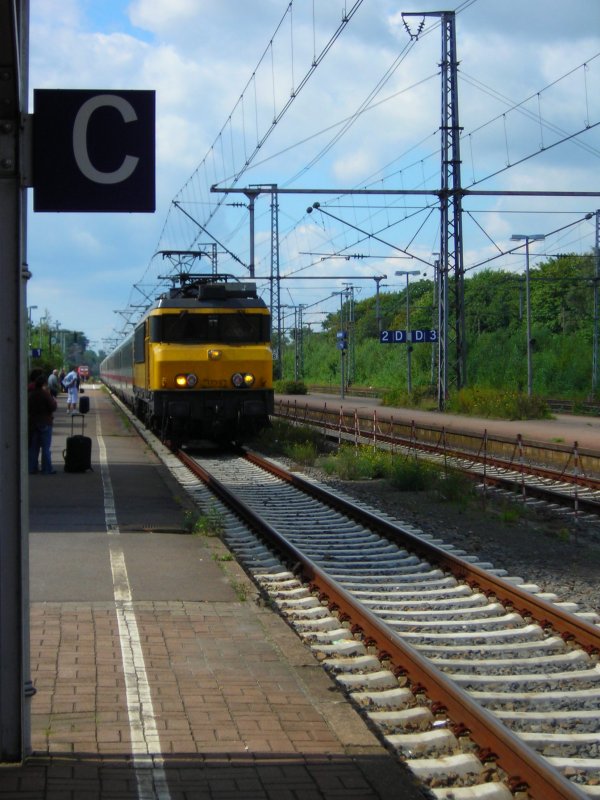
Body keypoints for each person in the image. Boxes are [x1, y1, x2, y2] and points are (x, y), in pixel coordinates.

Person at [28, 374, 57, 474]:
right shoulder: (45, 394)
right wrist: (54, 401)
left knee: (33, 448)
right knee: (45, 447)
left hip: (33, 423)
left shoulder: (31, 395)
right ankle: (46, 469)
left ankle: (31, 468)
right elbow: (53, 407)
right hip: (45, 422)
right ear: (44, 384)